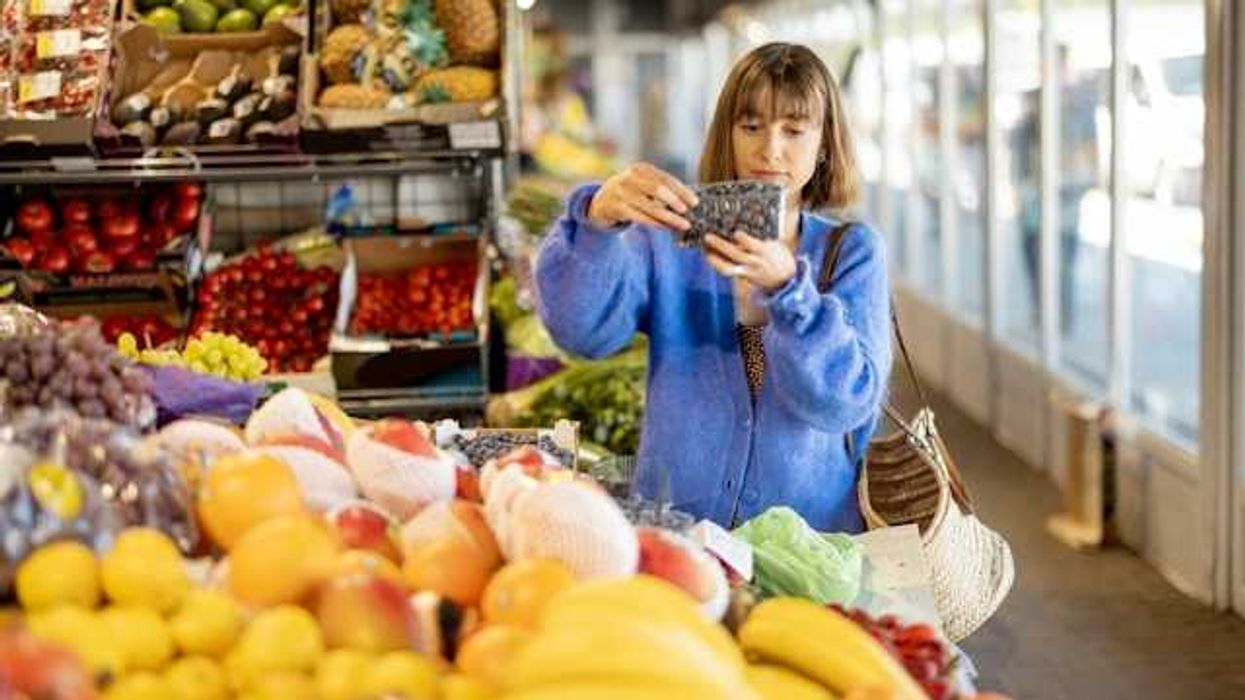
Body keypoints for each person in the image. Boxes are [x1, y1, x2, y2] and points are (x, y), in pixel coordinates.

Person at [534, 43, 893, 533]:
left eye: (793, 129)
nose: (770, 149)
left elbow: (844, 405)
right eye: (751, 126)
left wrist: (789, 289)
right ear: (727, 132)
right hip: (678, 535)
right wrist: (595, 222)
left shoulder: (851, 252)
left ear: (824, 143)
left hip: (810, 544)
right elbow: (582, 334)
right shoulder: (669, 239)